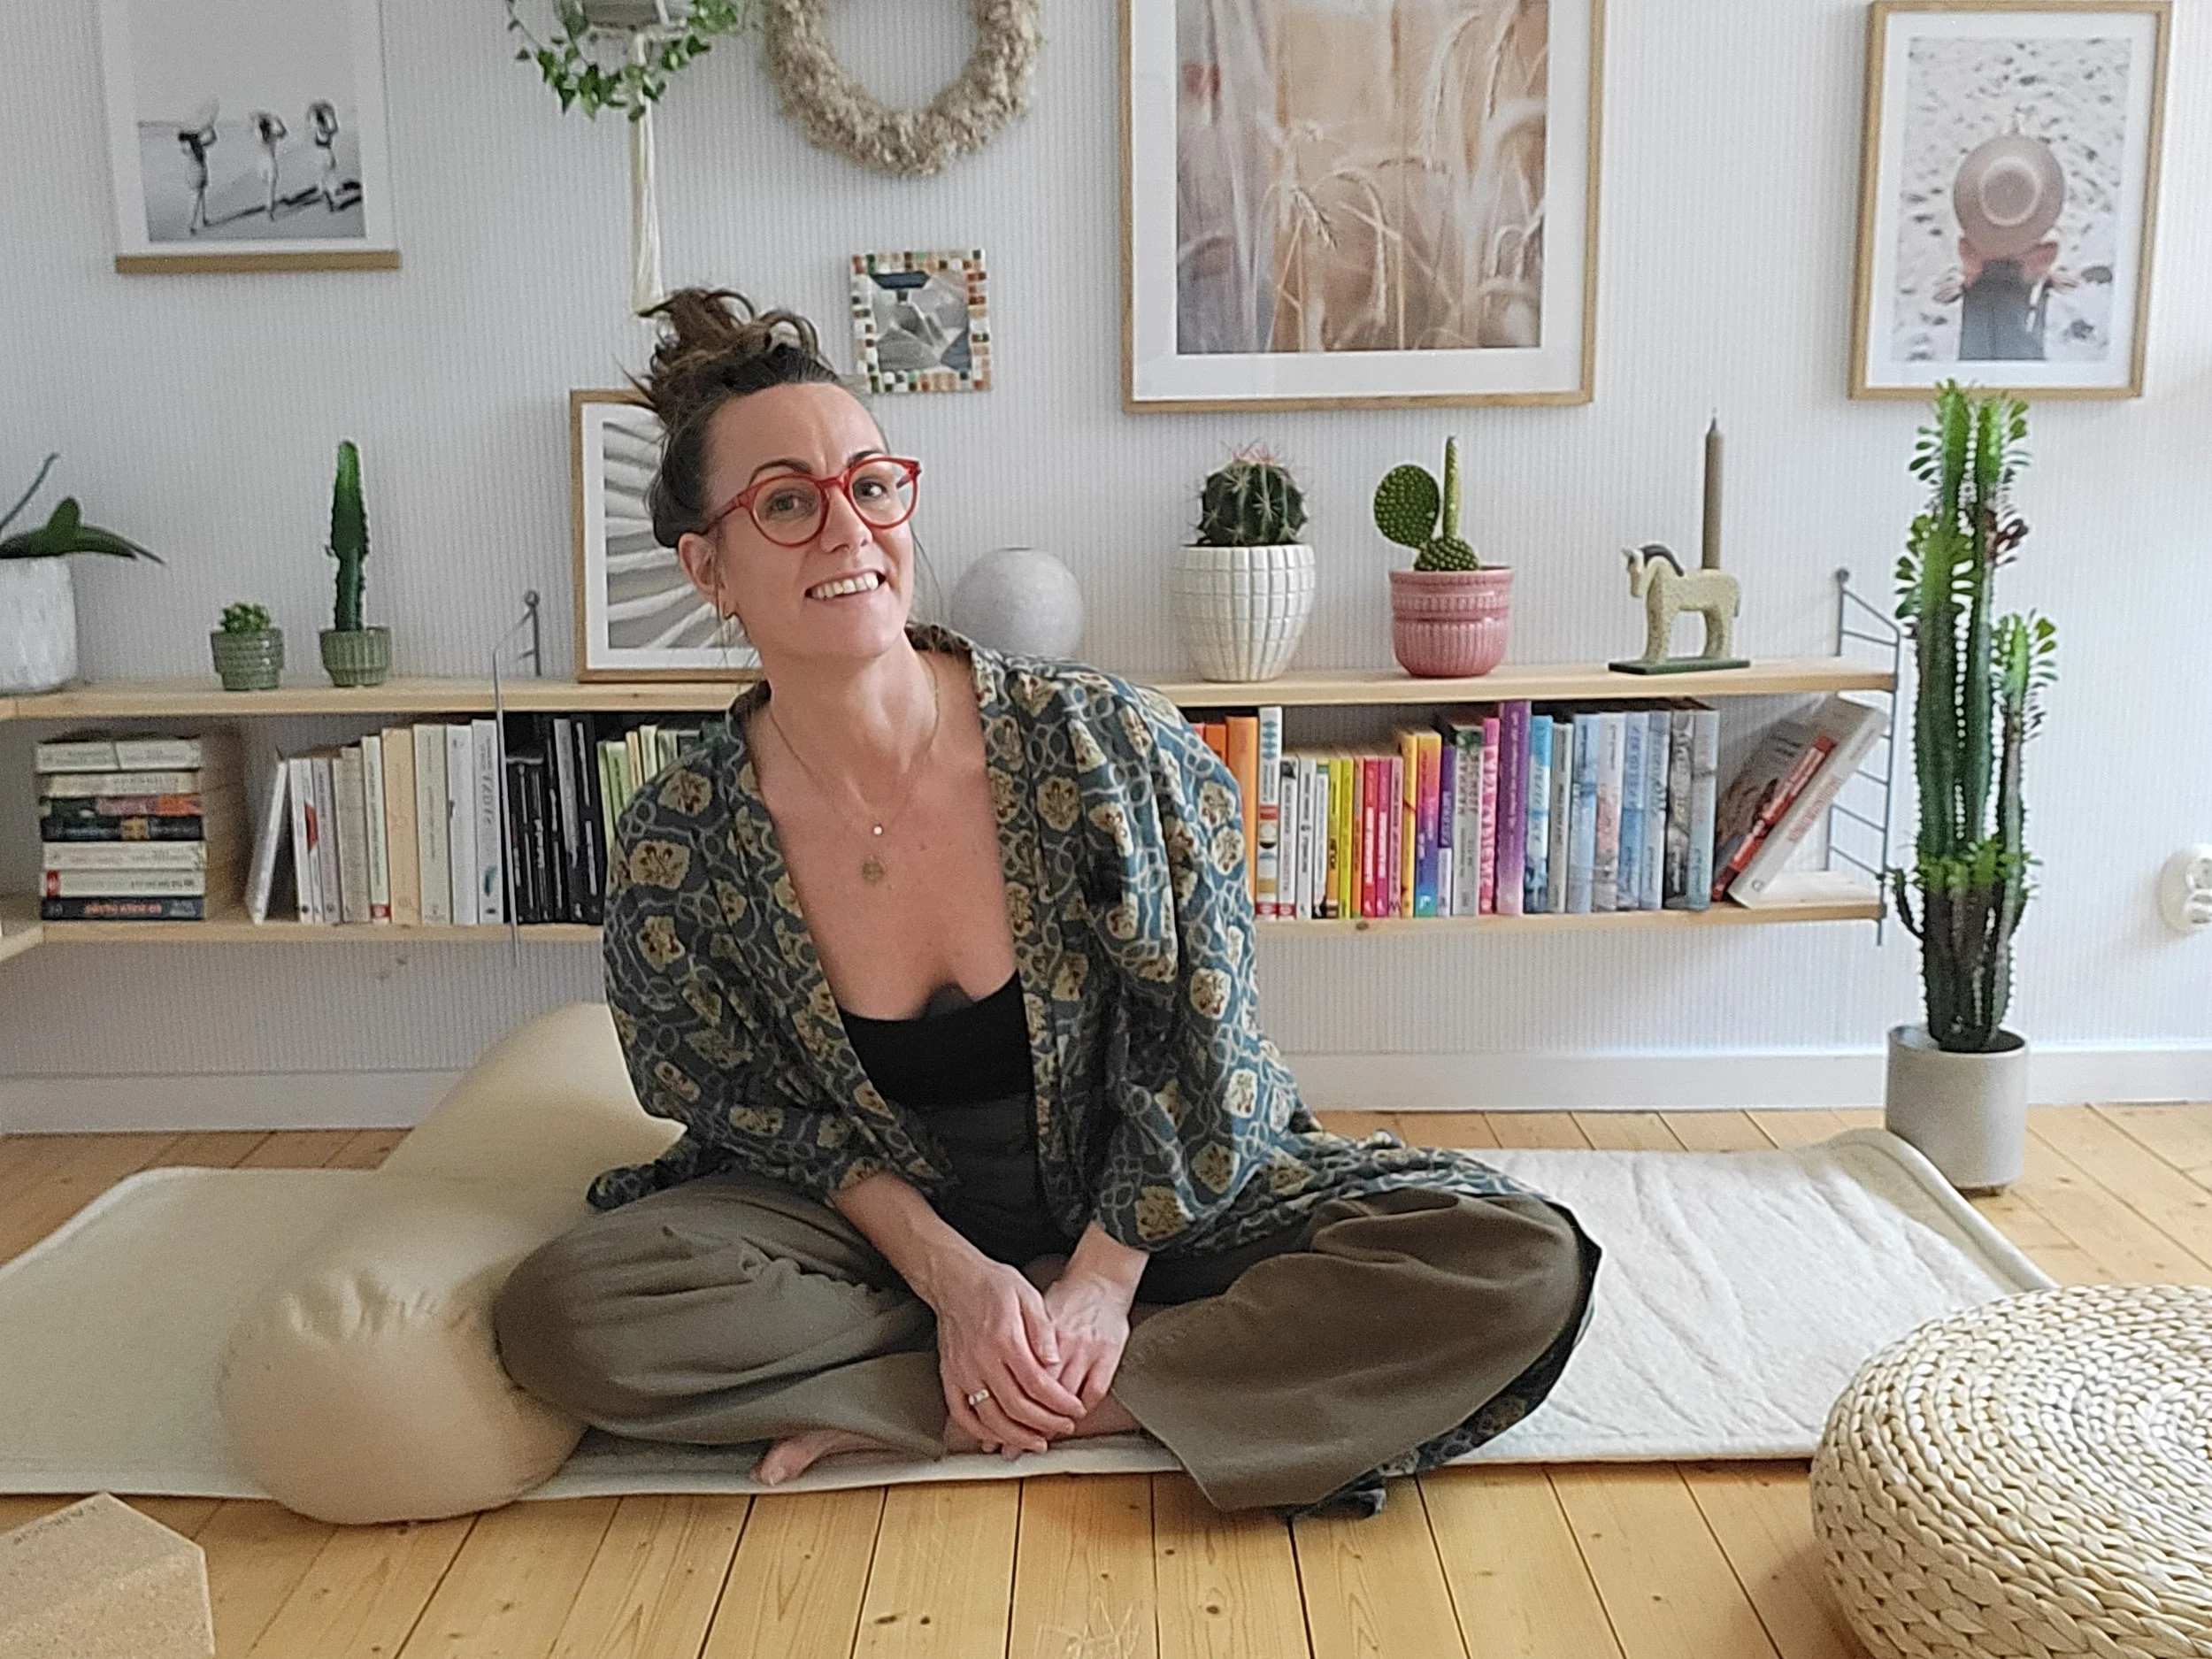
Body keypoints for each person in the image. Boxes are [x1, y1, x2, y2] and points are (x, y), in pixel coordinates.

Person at [490, 288, 1601, 1517]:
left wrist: (1103, 1284)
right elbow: (766, 1121)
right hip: (877, 1237)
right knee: (567, 1314)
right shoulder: (681, 840)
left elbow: (1208, 1051)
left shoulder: (1109, 746)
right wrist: (955, 1280)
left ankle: (1001, 1390)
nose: (849, 531)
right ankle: (1042, 1364)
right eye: (788, 504)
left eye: (872, 485)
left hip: (1156, 1199)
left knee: (1517, 1258)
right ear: (709, 566)